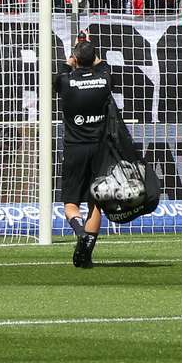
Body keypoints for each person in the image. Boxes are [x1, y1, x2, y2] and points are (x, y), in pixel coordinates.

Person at [56, 34, 114, 268]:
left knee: (71, 203)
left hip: (75, 147)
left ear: (75, 60)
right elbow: (102, 66)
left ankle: (80, 233)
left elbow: (60, 76)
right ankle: (86, 254)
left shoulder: (66, 82)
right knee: (95, 203)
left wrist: (69, 63)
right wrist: (89, 51)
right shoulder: (105, 80)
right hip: (100, 149)